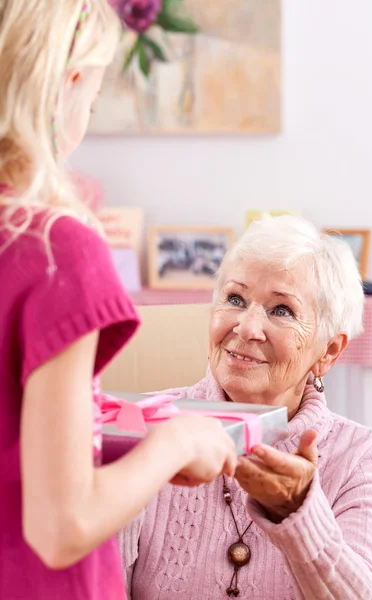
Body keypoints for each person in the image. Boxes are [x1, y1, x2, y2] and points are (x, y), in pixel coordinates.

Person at [0, 2, 237, 599]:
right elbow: (62, 526)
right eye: (95, 99)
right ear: (67, 85)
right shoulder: (58, 250)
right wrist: (175, 443)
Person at [120, 215, 372, 600]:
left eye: (281, 310)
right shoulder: (146, 426)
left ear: (329, 351)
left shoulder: (362, 457)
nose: (247, 327)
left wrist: (299, 513)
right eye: (235, 299)